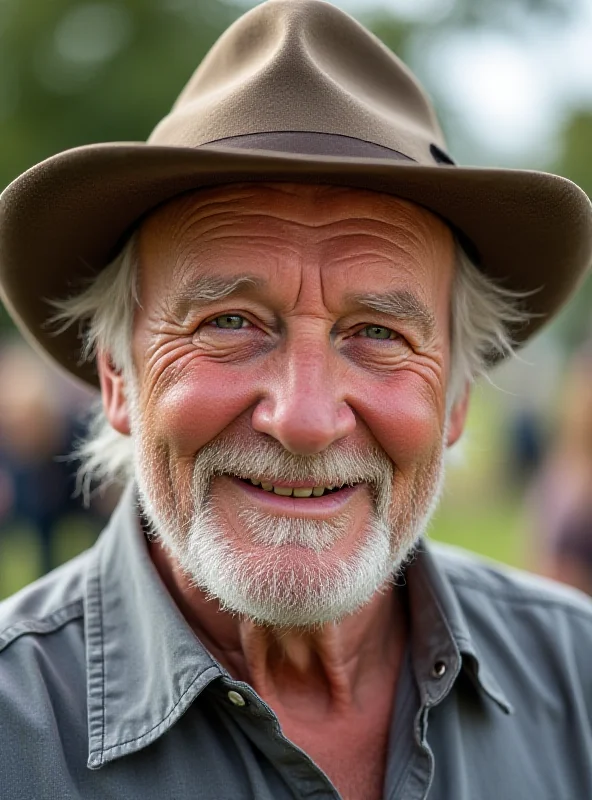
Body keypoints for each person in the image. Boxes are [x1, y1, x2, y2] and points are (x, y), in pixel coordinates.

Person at [0, 2, 591, 798]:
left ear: (454, 399)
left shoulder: (578, 682)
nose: (306, 420)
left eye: (378, 333)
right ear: (117, 376)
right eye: (231, 322)